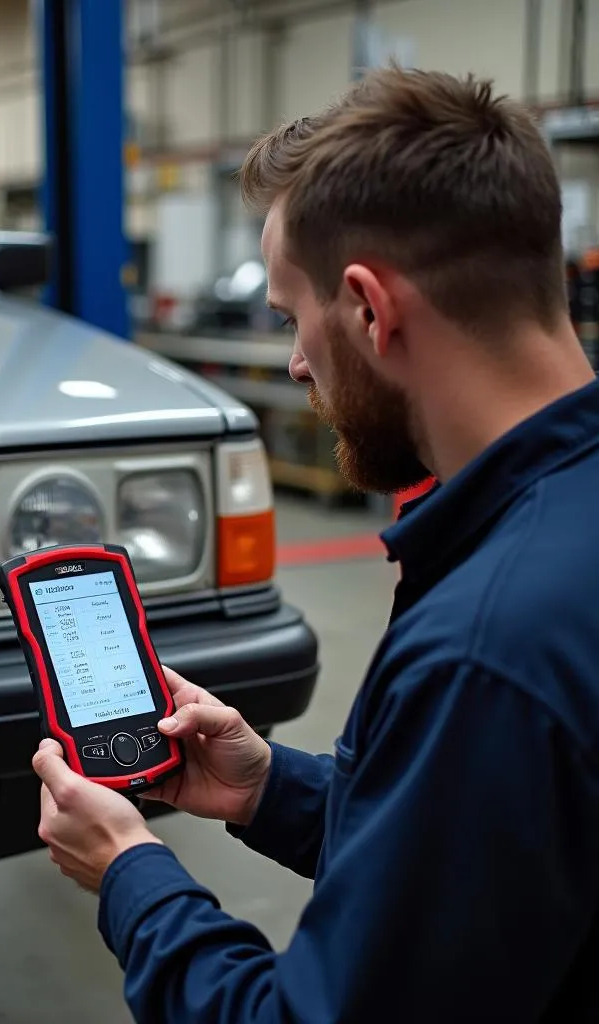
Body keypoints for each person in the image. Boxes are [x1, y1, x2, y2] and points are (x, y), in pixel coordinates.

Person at [31, 65, 599, 1023]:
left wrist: (131, 875)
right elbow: (486, 858)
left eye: (295, 319)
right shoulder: (548, 550)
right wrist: (269, 792)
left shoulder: (485, 647)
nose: (296, 361)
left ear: (371, 310)